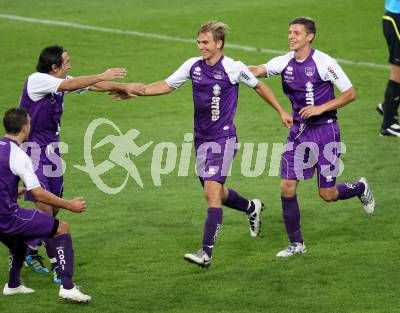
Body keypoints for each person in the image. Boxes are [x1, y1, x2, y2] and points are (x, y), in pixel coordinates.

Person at [111, 21, 293, 268]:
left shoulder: (233, 67)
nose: (201, 47)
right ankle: (252, 207)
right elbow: (166, 85)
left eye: (205, 42)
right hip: (201, 140)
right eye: (199, 42)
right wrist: (137, 91)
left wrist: (281, 111)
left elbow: (259, 86)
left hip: (224, 138)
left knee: (211, 192)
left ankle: (205, 253)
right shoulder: (192, 66)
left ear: (219, 43)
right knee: (216, 191)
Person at [248, 17, 376, 257]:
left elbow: (350, 93)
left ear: (310, 37)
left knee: (327, 194)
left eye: (296, 33)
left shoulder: (324, 62)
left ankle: (360, 187)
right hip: (298, 132)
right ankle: (296, 244)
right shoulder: (284, 61)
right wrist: (231, 69)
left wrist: (321, 108)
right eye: (289, 32)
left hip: (326, 132)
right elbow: (257, 70)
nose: (291, 37)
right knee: (287, 187)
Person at [19, 45, 144, 281]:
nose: (70, 65)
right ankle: (60, 268)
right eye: (66, 62)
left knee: (53, 208)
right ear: (54, 67)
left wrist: (122, 86)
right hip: (32, 152)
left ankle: (29, 248)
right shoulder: (37, 80)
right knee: (47, 211)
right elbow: (70, 85)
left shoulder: (60, 79)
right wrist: (101, 74)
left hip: (53, 151)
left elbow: (87, 84)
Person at [0, 108, 90, 302]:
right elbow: (38, 193)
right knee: (61, 228)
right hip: (5, 216)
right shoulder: (18, 154)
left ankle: (13, 285)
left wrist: (14, 190)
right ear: (25, 126)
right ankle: (68, 287)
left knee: (19, 241)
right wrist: (69, 205)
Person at [377, 0, 400, 137]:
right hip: (396, 19)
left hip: (394, 17)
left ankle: (388, 106)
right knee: (398, 73)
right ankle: (388, 124)